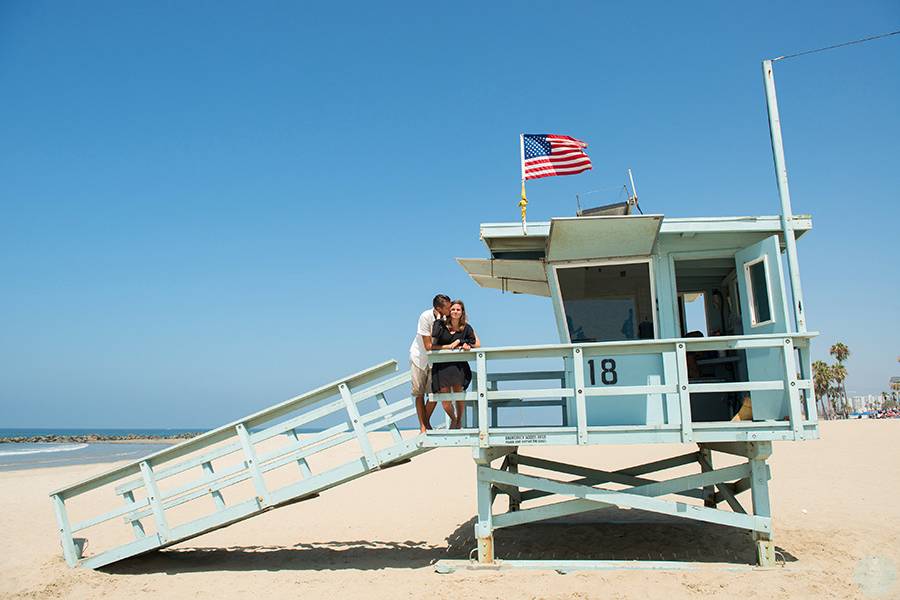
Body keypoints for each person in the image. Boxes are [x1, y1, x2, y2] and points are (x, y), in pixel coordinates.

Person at [430, 299, 480, 429]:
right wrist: (439, 318)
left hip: (458, 366)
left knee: (459, 394)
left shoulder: (466, 327)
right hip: (442, 367)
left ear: (462, 312)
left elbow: (476, 343)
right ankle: (453, 419)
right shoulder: (441, 325)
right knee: (445, 397)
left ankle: (459, 421)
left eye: (458, 309)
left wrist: (462, 342)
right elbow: (433, 337)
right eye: (452, 309)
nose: (455, 312)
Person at [410, 294, 451, 432]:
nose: (450, 309)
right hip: (419, 358)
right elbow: (428, 346)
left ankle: (426, 423)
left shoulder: (446, 318)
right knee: (419, 393)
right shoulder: (425, 316)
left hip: (435, 361)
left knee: (435, 393)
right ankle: (423, 426)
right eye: (447, 307)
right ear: (438, 308)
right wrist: (447, 347)